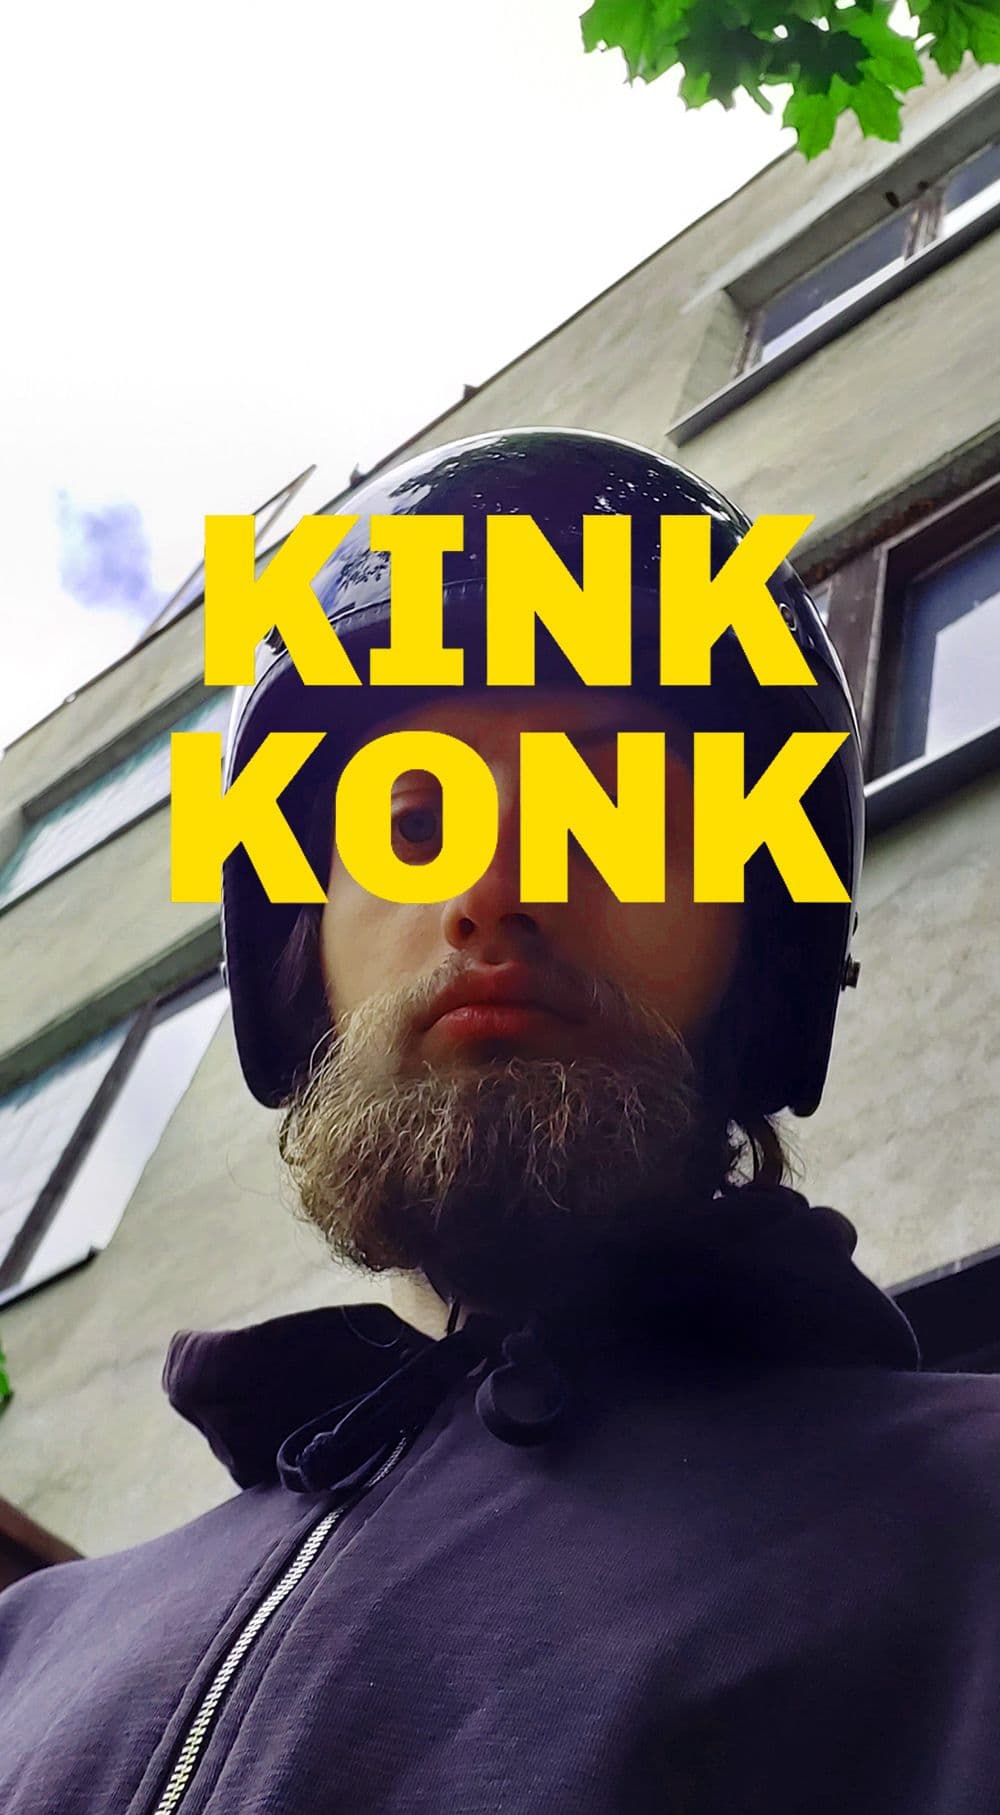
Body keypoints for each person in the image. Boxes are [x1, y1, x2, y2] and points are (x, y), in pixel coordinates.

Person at [3, 429, 998, 1815]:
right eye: (410, 824)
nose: (494, 889)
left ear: (761, 957)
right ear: (298, 963)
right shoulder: (26, 1650)